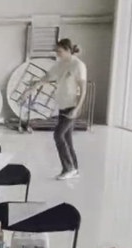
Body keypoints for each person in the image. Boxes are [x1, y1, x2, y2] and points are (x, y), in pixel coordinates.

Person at [37, 39, 87, 180]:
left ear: (67, 50)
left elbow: (83, 89)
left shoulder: (78, 65)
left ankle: (68, 168)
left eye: (59, 51)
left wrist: (77, 108)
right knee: (67, 138)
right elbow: (47, 77)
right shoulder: (60, 65)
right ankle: (74, 168)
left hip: (72, 106)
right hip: (63, 106)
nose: (57, 54)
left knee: (58, 135)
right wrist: (30, 89)